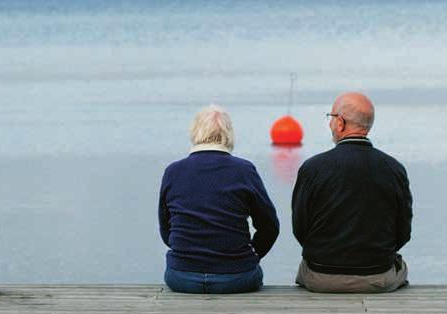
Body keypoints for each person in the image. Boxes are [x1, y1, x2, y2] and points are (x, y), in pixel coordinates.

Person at [292, 92, 412, 293]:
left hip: (321, 277)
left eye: (331, 118)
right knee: (401, 267)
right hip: (377, 277)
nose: (330, 124)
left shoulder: (312, 168)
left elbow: (300, 228)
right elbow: (403, 232)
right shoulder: (394, 169)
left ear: (340, 123)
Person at [159, 105, 279, 294]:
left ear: (195, 133)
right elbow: (269, 226)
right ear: (229, 134)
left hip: (182, 276)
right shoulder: (244, 170)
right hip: (237, 277)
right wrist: (251, 256)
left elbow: (166, 229)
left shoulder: (173, 172)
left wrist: (188, 252)